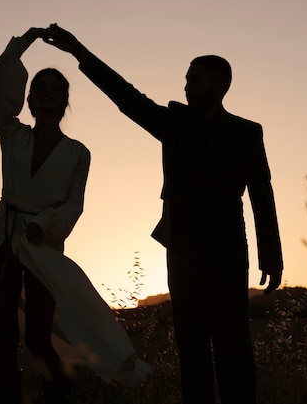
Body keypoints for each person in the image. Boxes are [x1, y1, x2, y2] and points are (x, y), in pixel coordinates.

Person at [44, 23, 284, 404]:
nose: (186, 86)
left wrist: (271, 254)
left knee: (233, 350)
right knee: (192, 352)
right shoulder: (174, 123)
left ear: (219, 86)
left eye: (195, 79)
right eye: (185, 79)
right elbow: (126, 97)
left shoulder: (245, 132)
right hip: (183, 253)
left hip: (227, 255)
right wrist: (80, 54)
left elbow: (262, 195)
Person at [0, 27, 150, 404]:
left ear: (64, 102)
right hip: (1, 234)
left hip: (43, 242)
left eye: (54, 88)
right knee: (4, 336)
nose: (45, 91)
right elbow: (1, 75)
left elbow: (73, 205)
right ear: (29, 100)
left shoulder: (78, 153)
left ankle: (58, 393)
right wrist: (25, 39)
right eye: (39, 87)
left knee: (39, 338)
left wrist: (44, 225)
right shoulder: (11, 134)